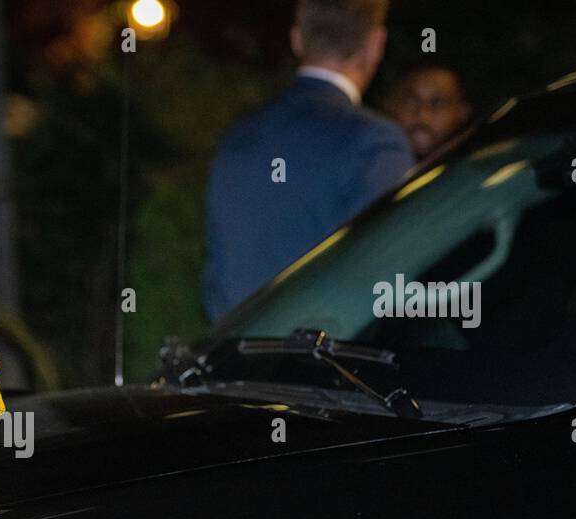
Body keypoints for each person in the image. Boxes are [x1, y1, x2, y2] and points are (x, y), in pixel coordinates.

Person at [202, 0, 413, 321]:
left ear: (297, 39)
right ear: (375, 44)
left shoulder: (236, 138)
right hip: (327, 362)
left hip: (234, 362)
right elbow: (387, 278)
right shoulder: (375, 142)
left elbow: (218, 279)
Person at [387, 65, 472, 161]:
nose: (423, 116)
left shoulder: (479, 169)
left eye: (438, 104)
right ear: (392, 105)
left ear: (463, 111)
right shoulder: (374, 165)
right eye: (411, 103)